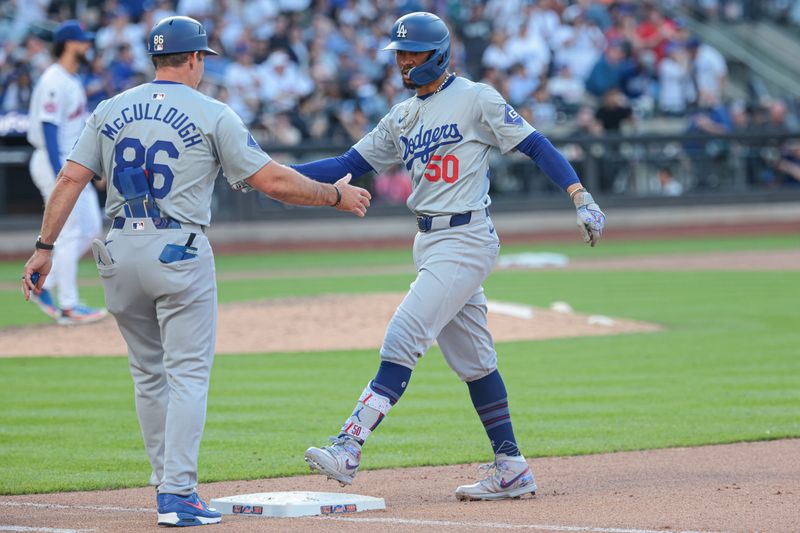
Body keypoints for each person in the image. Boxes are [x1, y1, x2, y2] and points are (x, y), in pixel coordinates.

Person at [22, 15, 370, 527]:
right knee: (187, 374)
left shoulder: (111, 108)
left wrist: (44, 246)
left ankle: (165, 479)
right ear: (193, 59)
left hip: (117, 250)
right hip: (177, 248)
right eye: (202, 57)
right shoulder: (212, 112)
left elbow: (71, 176)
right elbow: (272, 180)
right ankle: (179, 495)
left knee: (148, 374)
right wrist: (335, 195)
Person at [296, 12, 605, 501]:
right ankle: (512, 467)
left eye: (411, 52)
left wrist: (579, 194)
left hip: (466, 237)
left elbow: (536, 144)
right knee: (475, 361)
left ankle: (349, 446)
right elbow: (346, 165)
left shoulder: (476, 97)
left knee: (403, 335)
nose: (402, 61)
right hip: (430, 242)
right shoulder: (401, 115)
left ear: (437, 53)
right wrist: (268, 172)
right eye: (399, 53)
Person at [26, 20, 108, 325]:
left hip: (73, 163)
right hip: (55, 161)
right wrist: (61, 172)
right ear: (67, 44)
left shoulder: (71, 80)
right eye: (82, 41)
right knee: (72, 231)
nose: (87, 46)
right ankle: (69, 305)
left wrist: (91, 168)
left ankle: (43, 284)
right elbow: (49, 128)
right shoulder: (54, 79)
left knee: (89, 229)